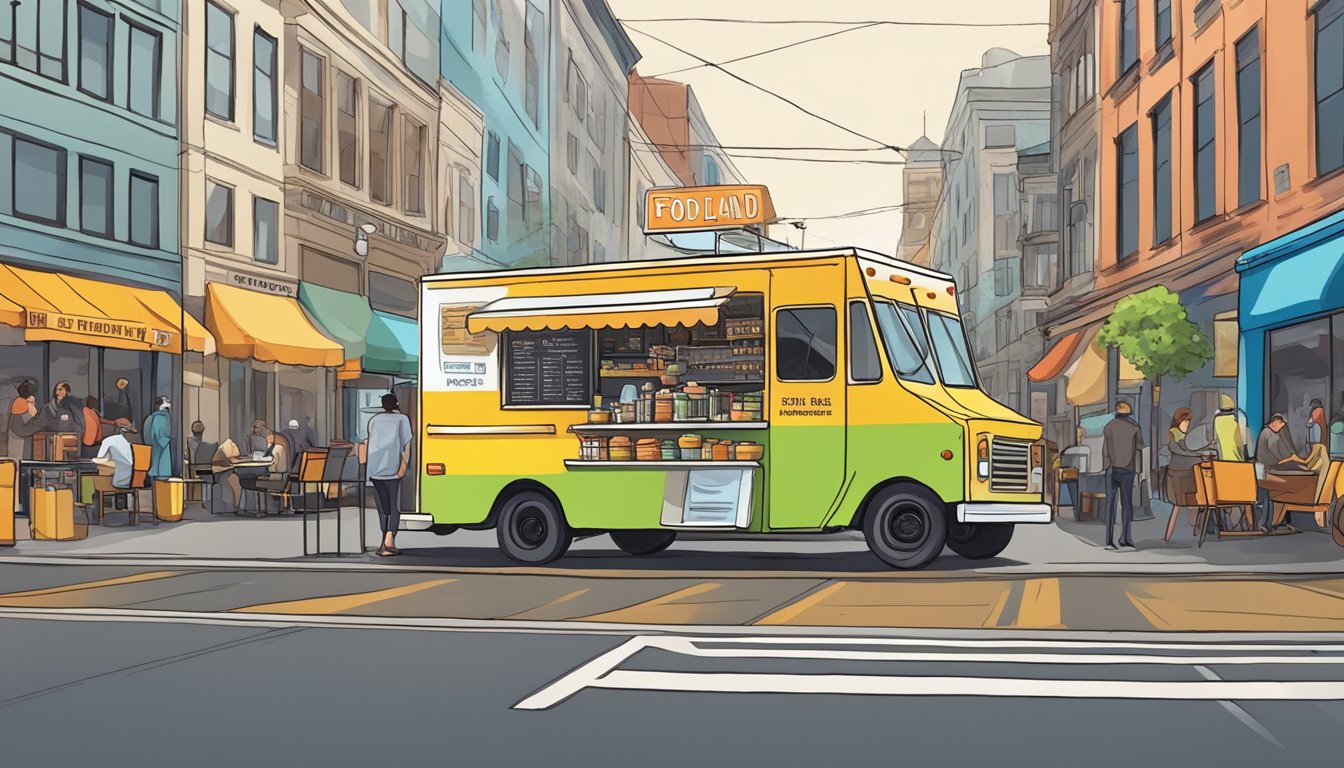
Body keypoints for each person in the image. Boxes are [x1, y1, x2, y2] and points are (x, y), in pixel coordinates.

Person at [365, 393, 412, 557]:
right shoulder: (402, 419)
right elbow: (406, 445)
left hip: (375, 470)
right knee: (394, 507)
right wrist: (403, 468)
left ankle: (383, 542)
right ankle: (389, 542)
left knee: (383, 509)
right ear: (397, 404)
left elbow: (371, 443)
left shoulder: (374, 420)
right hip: (393, 470)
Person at [1164, 408, 1213, 542]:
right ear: (1178, 422)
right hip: (1179, 479)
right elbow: (1185, 452)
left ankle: (1195, 529)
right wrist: (1200, 455)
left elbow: (1191, 449)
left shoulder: (1185, 438)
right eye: (1185, 422)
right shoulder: (1174, 436)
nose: (1187, 425)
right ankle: (1196, 529)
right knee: (1189, 501)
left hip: (1189, 477)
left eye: (1188, 422)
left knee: (1197, 500)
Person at [1102, 400, 1143, 550]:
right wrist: (1139, 471)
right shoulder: (1134, 427)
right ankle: (1126, 539)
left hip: (1112, 469)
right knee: (1126, 505)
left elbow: (1105, 450)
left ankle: (1109, 541)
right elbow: (1139, 448)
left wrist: (1106, 467)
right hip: (1128, 470)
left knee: (1110, 506)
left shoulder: (1109, 427)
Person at [93, 422, 138, 499]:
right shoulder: (138, 440)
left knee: (97, 485)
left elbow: (100, 459)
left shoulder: (109, 441)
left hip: (120, 481)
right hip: (139, 481)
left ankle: (98, 508)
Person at [3, 379, 39, 459]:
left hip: (16, 432)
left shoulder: (18, 400)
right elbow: (32, 414)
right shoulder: (22, 402)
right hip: (18, 432)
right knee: (17, 459)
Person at [142, 396, 173, 480]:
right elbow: (160, 437)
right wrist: (167, 442)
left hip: (153, 447)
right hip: (160, 447)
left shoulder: (151, 418)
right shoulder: (161, 417)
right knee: (160, 470)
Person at [1212, 394, 1249, 462]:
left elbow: (1215, 440)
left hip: (1221, 460)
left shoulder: (1217, 419)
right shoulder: (1237, 418)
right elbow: (1243, 442)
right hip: (1237, 461)